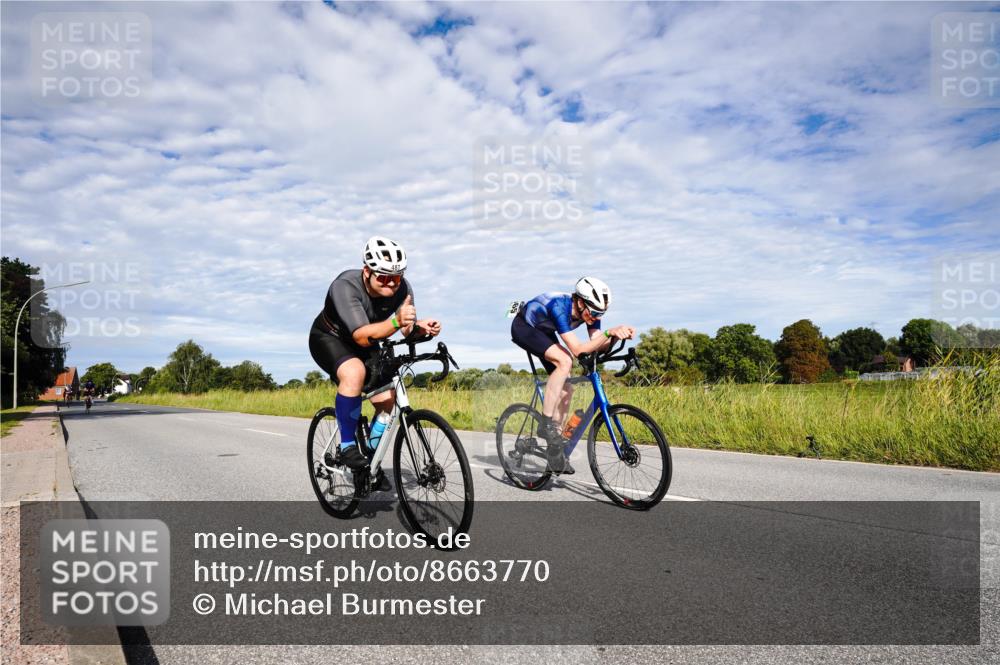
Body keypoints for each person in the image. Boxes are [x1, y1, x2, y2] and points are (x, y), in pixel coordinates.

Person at [309, 236, 441, 471]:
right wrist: (396, 321)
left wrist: (420, 327)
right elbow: (360, 335)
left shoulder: (404, 289)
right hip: (330, 338)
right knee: (354, 372)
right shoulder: (345, 286)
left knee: (387, 400)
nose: (391, 283)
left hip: (370, 340)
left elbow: (405, 329)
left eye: (397, 277)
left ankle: (369, 459)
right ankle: (348, 446)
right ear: (366, 271)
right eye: (383, 276)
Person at [510, 277, 635, 474]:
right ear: (579, 301)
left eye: (600, 314)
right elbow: (578, 350)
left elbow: (596, 343)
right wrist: (610, 332)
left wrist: (613, 338)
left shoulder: (591, 312)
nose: (595, 317)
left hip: (544, 330)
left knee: (567, 387)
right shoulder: (559, 306)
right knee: (565, 361)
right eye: (593, 312)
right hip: (524, 327)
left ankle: (555, 450)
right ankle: (546, 423)